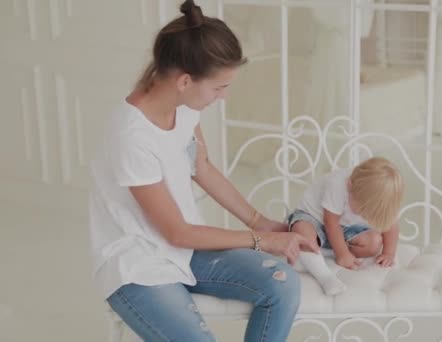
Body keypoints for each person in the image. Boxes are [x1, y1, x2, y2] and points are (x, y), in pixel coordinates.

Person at [88, 1, 318, 341]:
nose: (223, 97)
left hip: (185, 251)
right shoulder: (132, 137)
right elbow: (177, 232)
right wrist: (262, 241)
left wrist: (260, 222)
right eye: (219, 88)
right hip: (139, 267)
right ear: (184, 80)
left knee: (282, 287)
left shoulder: (183, 108)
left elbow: (202, 167)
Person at [287, 157, 404, 295]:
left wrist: (389, 253)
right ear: (350, 186)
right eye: (361, 209)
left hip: (346, 229)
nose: (363, 214)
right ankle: (325, 277)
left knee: (374, 243)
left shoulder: (383, 199)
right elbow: (331, 222)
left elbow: (390, 224)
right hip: (315, 219)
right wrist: (342, 254)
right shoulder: (337, 184)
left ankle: (318, 255)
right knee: (302, 231)